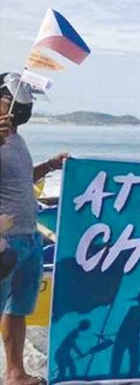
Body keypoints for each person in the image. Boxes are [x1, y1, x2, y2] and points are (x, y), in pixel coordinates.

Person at [0, 72, 68, 385]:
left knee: (18, 309)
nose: (15, 109)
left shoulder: (17, 138)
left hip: (29, 237)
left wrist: (50, 166)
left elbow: (21, 179)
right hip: (3, 240)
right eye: (9, 100)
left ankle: (15, 373)